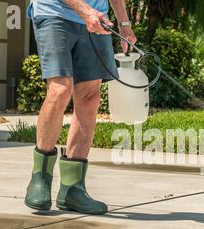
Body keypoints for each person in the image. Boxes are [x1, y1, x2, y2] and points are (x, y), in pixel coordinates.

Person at [25, 0, 136, 214]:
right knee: (60, 90)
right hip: (54, 13)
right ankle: (40, 179)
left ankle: (72, 188)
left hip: (97, 19)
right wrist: (85, 10)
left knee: (90, 96)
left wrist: (123, 22)